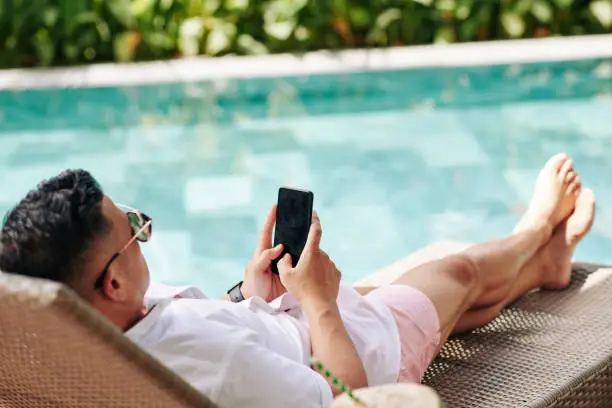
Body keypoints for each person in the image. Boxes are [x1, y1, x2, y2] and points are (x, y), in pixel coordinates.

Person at [0, 153, 595, 408]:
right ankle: (537, 230)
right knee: (456, 274)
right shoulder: (219, 365)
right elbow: (352, 399)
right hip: (354, 353)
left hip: (288, 328)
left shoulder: (93, 341)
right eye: (135, 230)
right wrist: (321, 302)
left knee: (447, 308)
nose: (140, 228)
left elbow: (208, 330)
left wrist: (249, 295)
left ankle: (546, 267)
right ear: (112, 284)